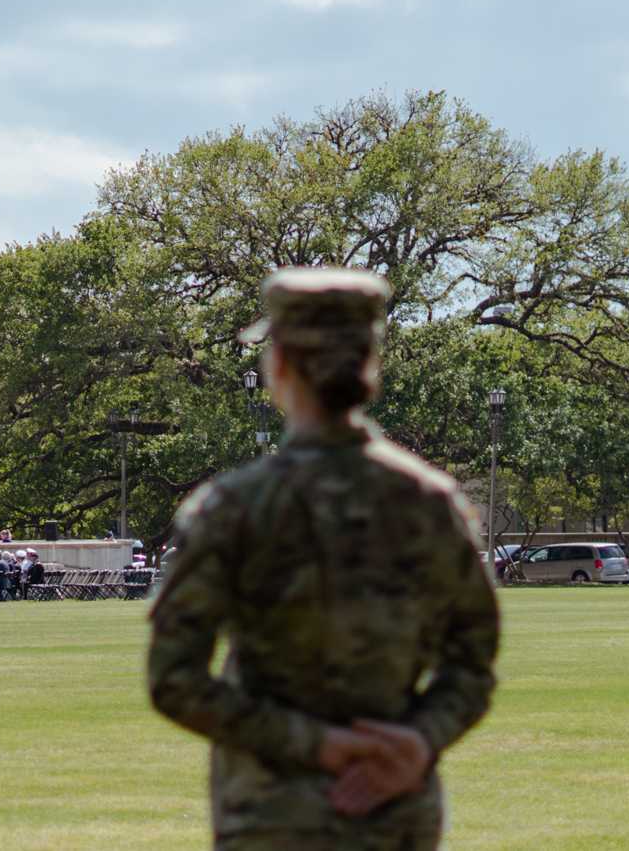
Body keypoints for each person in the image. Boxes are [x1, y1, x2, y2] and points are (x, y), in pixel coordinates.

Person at [146, 268, 499, 850]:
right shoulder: (432, 503)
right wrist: (417, 742)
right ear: (370, 367)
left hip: (271, 814)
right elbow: (472, 668)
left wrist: (317, 745)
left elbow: (175, 680)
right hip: (396, 807)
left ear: (277, 364)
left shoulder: (233, 508)